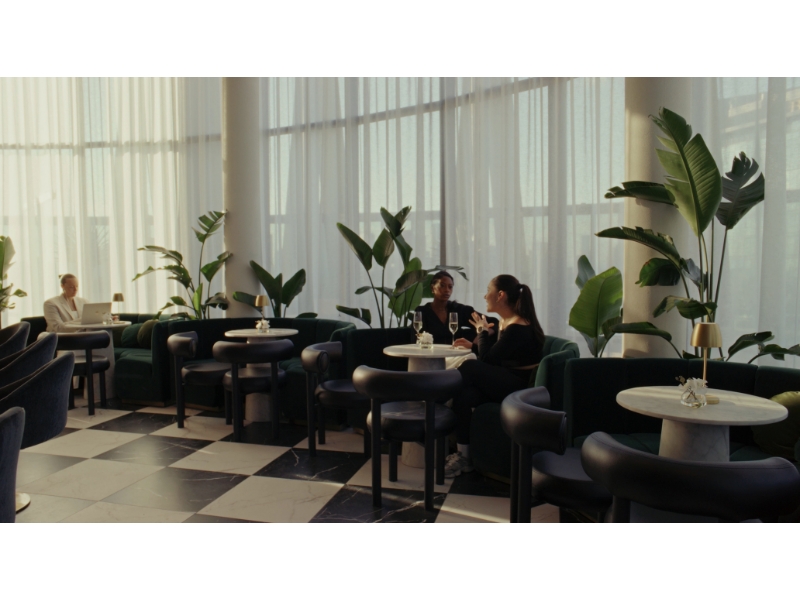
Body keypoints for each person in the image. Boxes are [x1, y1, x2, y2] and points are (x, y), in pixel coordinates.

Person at [444, 274, 545, 478]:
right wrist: (475, 343)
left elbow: (488, 361)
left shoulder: (518, 327)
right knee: (465, 395)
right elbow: (497, 356)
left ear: (500, 295)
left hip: (521, 388)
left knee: (470, 366)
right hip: (508, 379)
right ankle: (464, 457)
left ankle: (435, 399)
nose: (485, 295)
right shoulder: (506, 323)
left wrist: (481, 332)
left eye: (488, 290)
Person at [413, 271, 476, 345]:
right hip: (431, 351)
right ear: (432, 288)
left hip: (455, 351)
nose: (447, 290)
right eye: (442, 285)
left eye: (450, 287)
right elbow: (415, 339)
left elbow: (487, 323)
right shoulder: (422, 312)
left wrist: (476, 343)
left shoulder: (458, 309)